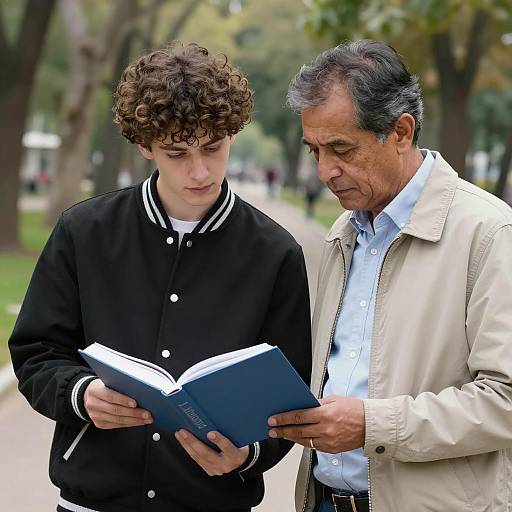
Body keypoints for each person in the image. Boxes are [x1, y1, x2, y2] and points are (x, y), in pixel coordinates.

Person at [9, 43, 312, 512]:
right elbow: (35, 352)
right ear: (145, 146)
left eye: (213, 147)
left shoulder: (275, 254)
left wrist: (248, 455)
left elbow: (289, 397)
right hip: (91, 502)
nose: (200, 171)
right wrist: (81, 394)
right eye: (177, 153)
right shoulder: (84, 231)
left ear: (233, 134)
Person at [266, 40, 512, 512]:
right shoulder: (344, 230)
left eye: (341, 149)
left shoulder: (488, 232)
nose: (324, 171)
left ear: (401, 132)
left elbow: (504, 400)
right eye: (314, 149)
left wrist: (372, 426)